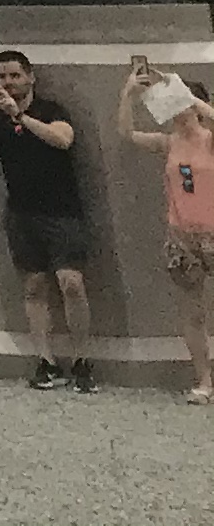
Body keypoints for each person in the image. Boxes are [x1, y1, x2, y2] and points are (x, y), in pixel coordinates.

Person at [0, 47, 96, 390]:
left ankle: (82, 359)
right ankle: (46, 361)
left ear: (30, 76)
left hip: (62, 210)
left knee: (72, 284)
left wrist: (19, 115)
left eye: (14, 75)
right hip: (22, 213)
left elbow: (63, 139)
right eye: (1, 76)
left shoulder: (49, 109)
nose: (8, 82)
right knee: (33, 286)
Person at [118, 57, 214, 402]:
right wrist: (129, 94)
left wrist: (189, 96)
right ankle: (204, 380)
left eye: (180, 105)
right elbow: (126, 134)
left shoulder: (209, 139)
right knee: (193, 311)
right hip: (182, 234)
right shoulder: (169, 142)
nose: (177, 112)